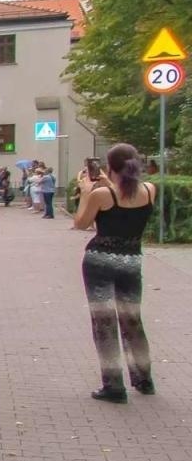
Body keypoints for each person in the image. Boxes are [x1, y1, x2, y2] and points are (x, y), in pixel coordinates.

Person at [73, 144, 156, 401]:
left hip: (100, 262)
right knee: (132, 320)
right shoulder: (149, 190)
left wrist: (87, 192)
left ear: (110, 166)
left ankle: (114, 386)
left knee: (104, 322)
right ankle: (143, 378)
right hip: (131, 262)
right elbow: (125, 195)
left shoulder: (102, 194)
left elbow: (81, 223)